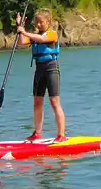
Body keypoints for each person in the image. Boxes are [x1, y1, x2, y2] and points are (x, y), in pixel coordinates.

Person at [16, 9, 68, 143]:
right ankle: (37, 134)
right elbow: (21, 42)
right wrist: (19, 26)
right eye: (36, 22)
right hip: (39, 70)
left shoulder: (52, 34)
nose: (38, 25)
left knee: (54, 102)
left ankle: (61, 135)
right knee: (37, 103)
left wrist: (25, 31)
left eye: (41, 22)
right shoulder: (34, 36)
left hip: (51, 69)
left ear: (48, 22)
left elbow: (42, 39)